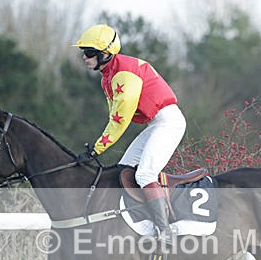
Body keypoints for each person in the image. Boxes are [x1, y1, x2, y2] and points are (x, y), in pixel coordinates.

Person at [73, 23, 186, 244]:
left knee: (144, 175)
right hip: (157, 123)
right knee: (124, 169)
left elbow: (119, 120)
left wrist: (96, 150)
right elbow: (114, 117)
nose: (85, 57)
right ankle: (137, 221)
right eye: (83, 52)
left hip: (168, 122)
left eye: (89, 52)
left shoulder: (123, 74)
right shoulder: (108, 75)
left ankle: (165, 231)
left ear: (106, 54)